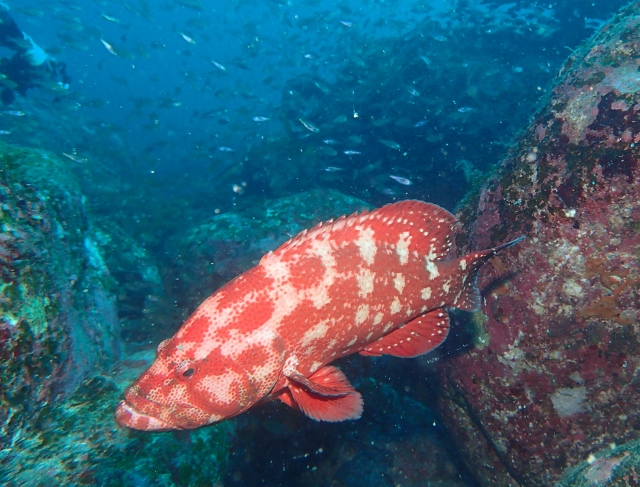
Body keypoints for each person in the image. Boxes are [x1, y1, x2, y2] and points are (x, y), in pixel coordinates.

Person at [0, 4, 70, 105]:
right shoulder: (52, 77)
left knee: (19, 43)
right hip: (37, 64)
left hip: (26, 68)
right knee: (21, 43)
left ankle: (4, 15)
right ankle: (3, 14)